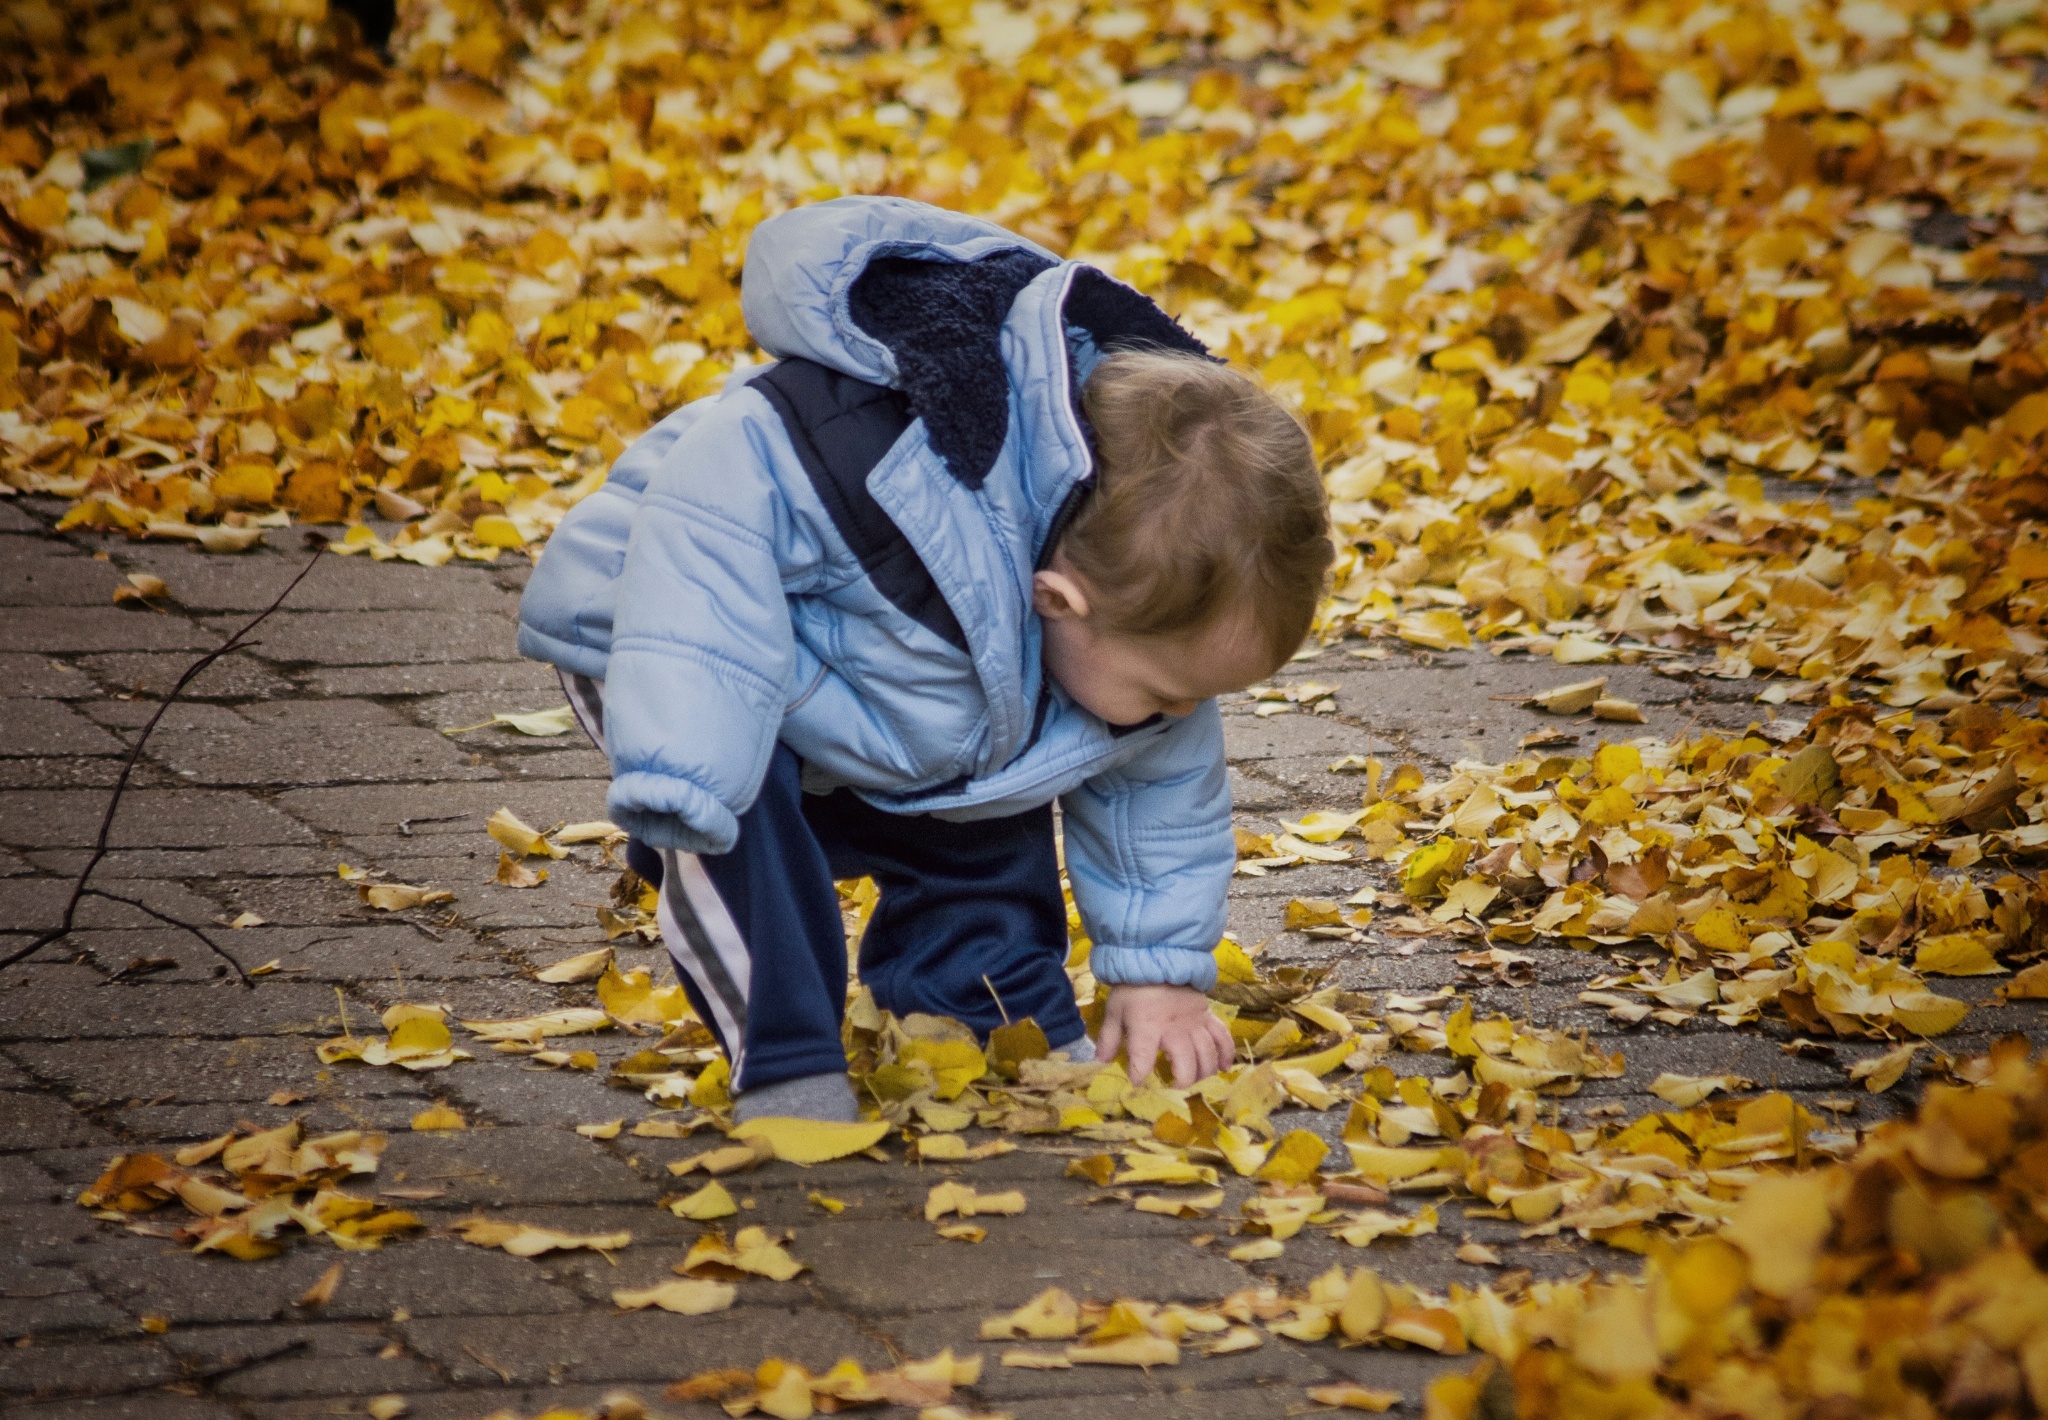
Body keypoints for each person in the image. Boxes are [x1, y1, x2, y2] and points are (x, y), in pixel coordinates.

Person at [518, 196, 1332, 1121]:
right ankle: (785, 1059)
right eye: (1170, 691)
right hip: (677, 625)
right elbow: (705, 541)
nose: (1181, 717)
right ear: (1060, 601)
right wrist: (685, 767)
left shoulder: (1124, 601)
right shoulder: (866, 450)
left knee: (1006, 759)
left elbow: (1161, 799)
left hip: (880, 668)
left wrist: (1160, 974)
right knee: (740, 821)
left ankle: (980, 1010)